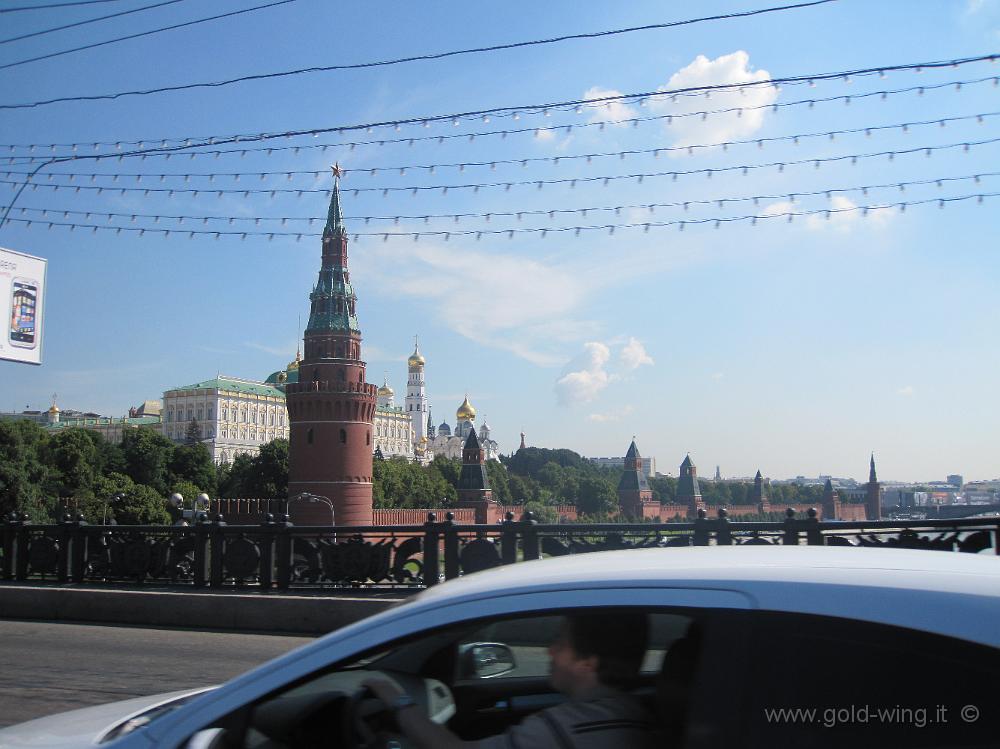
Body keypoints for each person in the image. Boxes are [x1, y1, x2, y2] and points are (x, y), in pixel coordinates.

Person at [364, 611, 657, 749]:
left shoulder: (565, 728)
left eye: (561, 642)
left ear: (587, 663)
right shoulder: (635, 713)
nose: (550, 651)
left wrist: (398, 700)